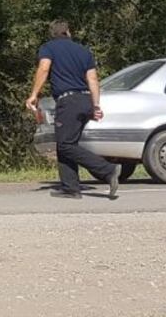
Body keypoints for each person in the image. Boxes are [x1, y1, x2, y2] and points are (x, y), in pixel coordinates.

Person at [25, 20, 121, 199]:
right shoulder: (83, 50)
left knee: (65, 144)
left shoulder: (49, 47)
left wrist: (34, 94)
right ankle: (71, 188)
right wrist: (96, 105)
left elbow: (44, 68)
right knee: (67, 143)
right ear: (68, 32)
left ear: (52, 34)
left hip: (69, 101)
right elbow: (93, 79)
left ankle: (108, 170)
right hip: (85, 100)